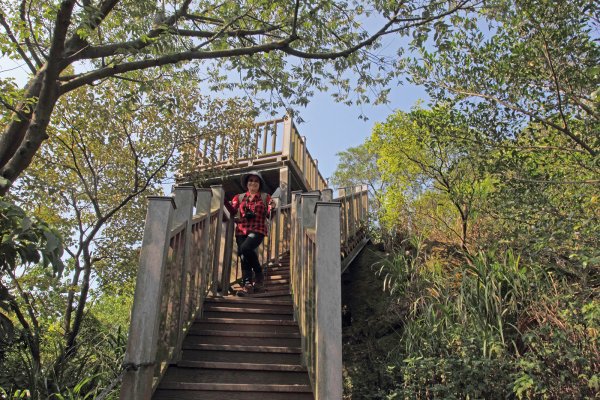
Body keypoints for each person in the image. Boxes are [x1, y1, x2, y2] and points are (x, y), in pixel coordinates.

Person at [230, 170, 275, 296]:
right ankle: (247, 285)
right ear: (247, 183)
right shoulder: (238, 197)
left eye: (256, 181)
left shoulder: (265, 197)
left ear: (260, 184)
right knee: (244, 256)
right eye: (251, 180)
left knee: (245, 248)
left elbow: (270, 212)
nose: (253, 183)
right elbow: (232, 210)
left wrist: (272, 206)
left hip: (258, 228)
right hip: (241, 229)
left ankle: (259, 273)